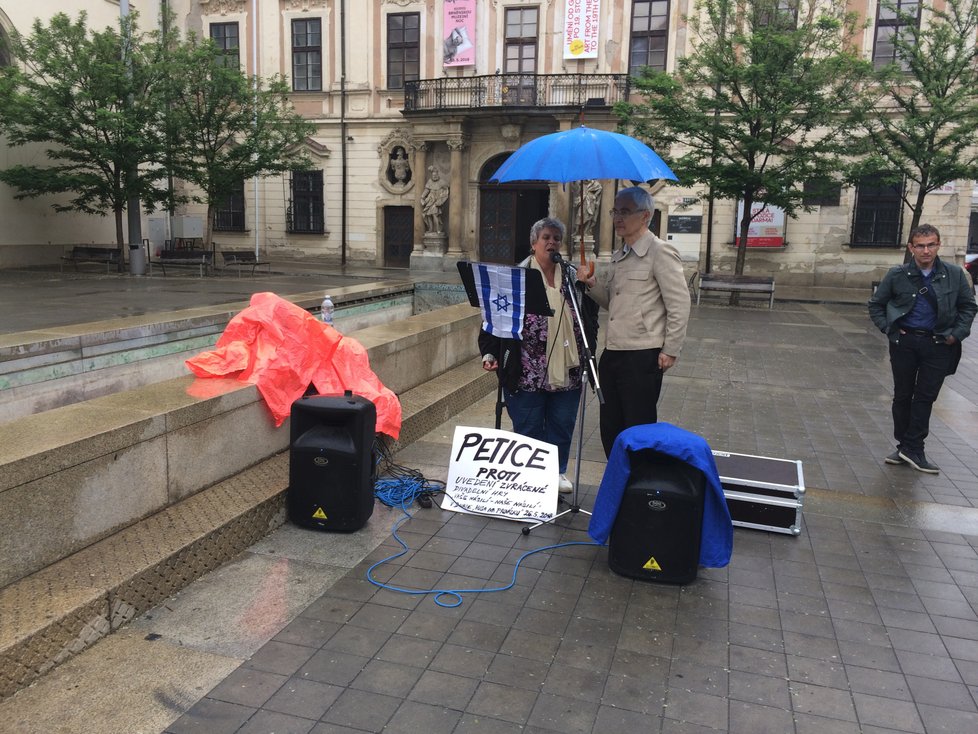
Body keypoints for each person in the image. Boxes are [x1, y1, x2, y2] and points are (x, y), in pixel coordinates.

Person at [579, 186, 691, 458]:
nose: (618, 217)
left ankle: (637, 488)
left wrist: (670, 349)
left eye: (625, 212)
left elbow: (679, 303)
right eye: (615, 211)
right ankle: (618, 480)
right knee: (610, 427)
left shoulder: (659, 252)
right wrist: (591, 283)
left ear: (646, 216)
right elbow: (613, 303)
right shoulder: (620, 256)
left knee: (638, 429)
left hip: (642, 355)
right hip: (614, 352)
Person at [479, 217, 589, 493]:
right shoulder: (516, 277)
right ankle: (530, 480)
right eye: (546, 238)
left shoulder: (574, 276)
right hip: (526, 369)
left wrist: (591, 350)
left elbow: (590, 319)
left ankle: (558, 472)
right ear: (533, 244)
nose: (552, 243)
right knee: (528, 427)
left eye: (556, 238)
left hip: (568, 368)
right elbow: (494, 317)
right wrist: (490, 352)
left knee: (562, 423)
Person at [868, 223, 976, 474]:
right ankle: (905, 446)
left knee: (925, 397)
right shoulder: (898, 274)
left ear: (939, 245)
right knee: (903, 396)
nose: (926, 250)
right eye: (920, 245)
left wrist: (955, 335)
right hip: (905, 343)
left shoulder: (954, 274)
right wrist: (890, 330)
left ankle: (913, 447)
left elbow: (968, 307)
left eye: (931, 245)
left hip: (938, 344)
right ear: (911, 247)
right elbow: (876, 305)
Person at [421, 166, 449, 234]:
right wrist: (422, 197)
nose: (434, 176)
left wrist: (441, 200)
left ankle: (437, 229)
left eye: (435, 175)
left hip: (437, 201)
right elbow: (426, 190)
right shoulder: (430, 181)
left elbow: (446, 190)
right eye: (433, 175)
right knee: (428, 215)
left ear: (438, 174)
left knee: (434, 214)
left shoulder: (442, 182)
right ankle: (430, 229)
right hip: (430, 200)